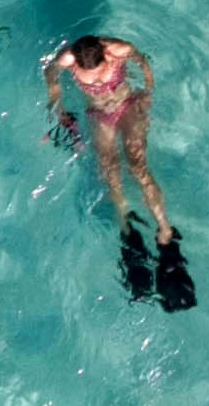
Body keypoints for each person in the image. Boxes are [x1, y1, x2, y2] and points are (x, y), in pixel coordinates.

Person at [43, 33, 194, 307]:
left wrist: (147, 93)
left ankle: (165, 233)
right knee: (110, 173)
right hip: (100, 115)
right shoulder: (68, 59)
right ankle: (128, 226)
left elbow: (143, 63)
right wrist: (58, 107)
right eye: (88, 75)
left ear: (106, 56)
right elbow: (50, 77)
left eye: (100, 72)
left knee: (138, 166)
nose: (97, 80)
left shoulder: (118, 50)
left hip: (127, 106)